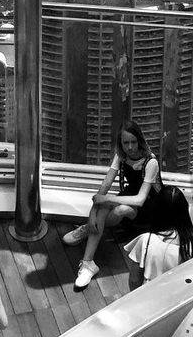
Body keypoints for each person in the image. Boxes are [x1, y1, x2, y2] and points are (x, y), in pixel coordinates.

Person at [62, 119, 164, 289]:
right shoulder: (121, 155)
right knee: (103, 209)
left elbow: (141, 199)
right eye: (126, 143)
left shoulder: (150, 162)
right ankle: (88, 263)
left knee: (119, 209)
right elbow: (105, 185)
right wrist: (92, 215)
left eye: (133, 142)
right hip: (130, 196)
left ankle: (91, 230)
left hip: (150, 208)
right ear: (120, 143)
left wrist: (109, 199)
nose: (130, 147)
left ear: (139, 140)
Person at [123, 186, 193, 290]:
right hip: (188, 294)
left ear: (157, 211)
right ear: (184, 210)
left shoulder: (146, 240)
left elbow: (134, 279)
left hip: (154, 296)